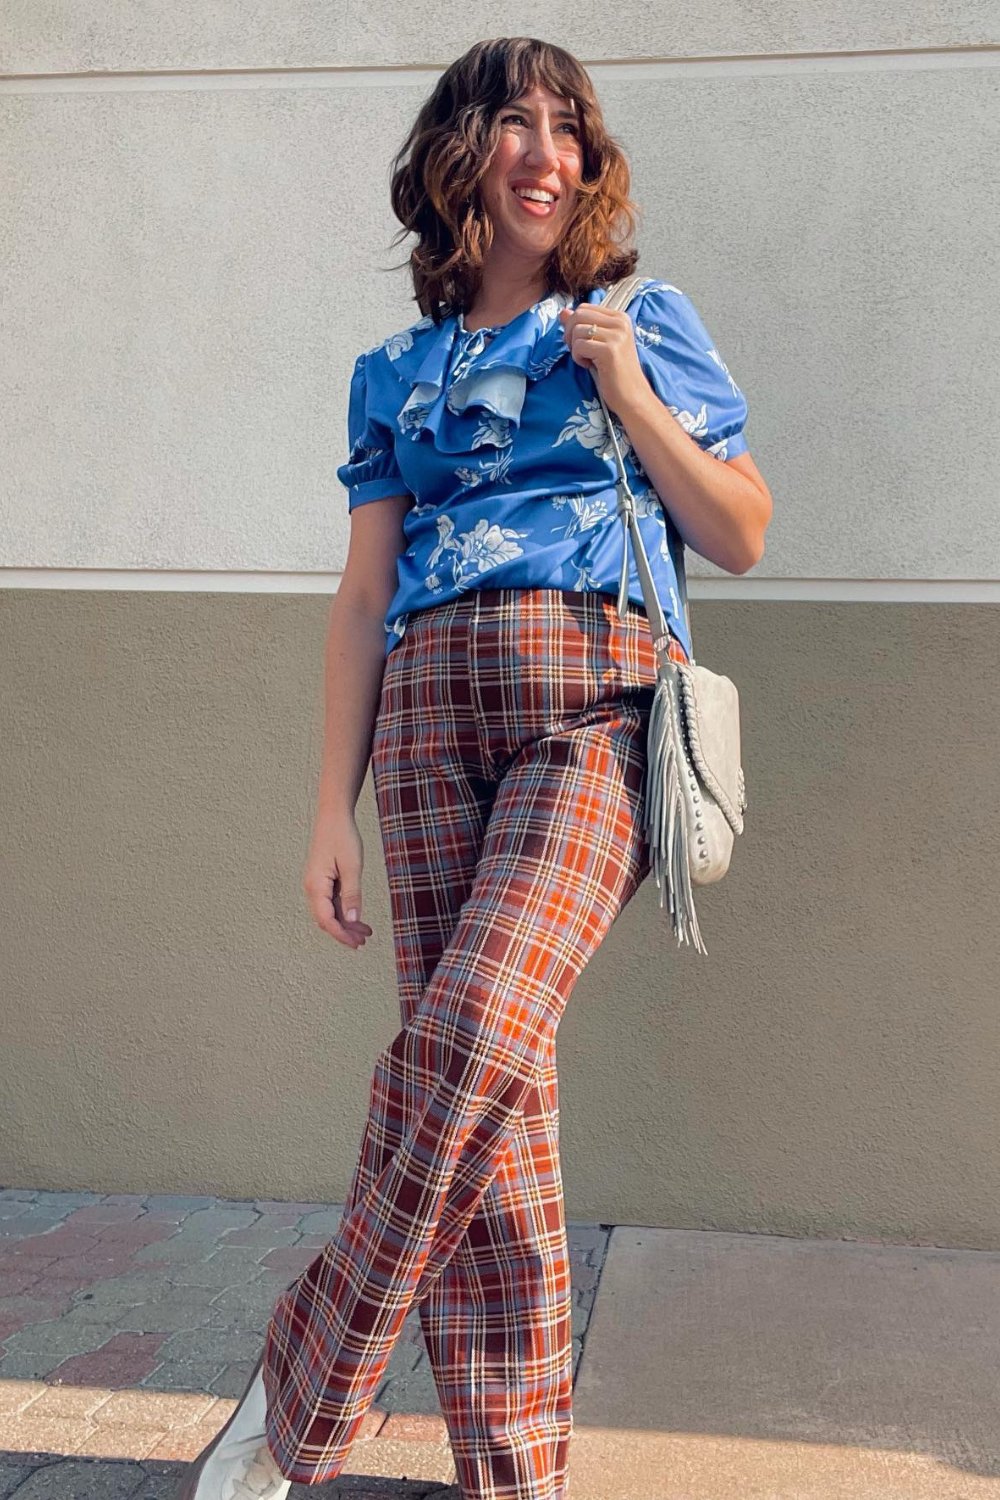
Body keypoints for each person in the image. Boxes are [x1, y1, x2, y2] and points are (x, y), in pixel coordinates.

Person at [177, 33, 772, 1500]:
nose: (547, 150)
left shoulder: (642, 319)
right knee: (497, 1121)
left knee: (475, 1040)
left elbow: (744, 529)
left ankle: (302, 1388)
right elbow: (364, 593)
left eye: (570, 127)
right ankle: (516, 1475)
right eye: (516, 119)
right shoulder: (393, 373)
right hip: (430, 723)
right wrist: (333, 803)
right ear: (461, 155)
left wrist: (628, 390)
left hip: (596, 710)